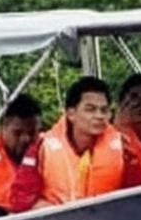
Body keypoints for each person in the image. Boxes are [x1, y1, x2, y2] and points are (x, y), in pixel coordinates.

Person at [24, 76, 125, 207]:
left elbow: (137, 193)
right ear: (71, 114)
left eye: (104, 110)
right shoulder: (41, 147)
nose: (99, 116)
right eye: (90, 109)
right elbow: (22, 198)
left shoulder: (123, 146)